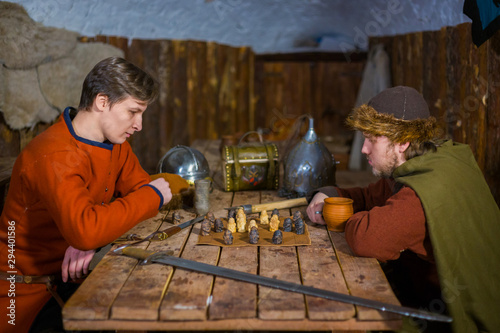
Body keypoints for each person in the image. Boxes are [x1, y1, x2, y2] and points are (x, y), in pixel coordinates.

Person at [306, 86, 500, 333]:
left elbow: (367, 238)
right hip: (433, 296)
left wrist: (342, 215)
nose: (364, 149)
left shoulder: (422, 192)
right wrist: (331, 194)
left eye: (372, 140)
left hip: (462, 319)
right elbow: (370, 196)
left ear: (403, 141)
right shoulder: (429, 162)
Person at [0, 57, 172, 333]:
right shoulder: (54, 153)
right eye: (132, 112)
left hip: (77, 277)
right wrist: (91, 233)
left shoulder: (115, 143)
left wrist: (93, 240)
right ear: (102, 102)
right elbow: (139, 201)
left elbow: (135, 192)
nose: (139, 124)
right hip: (25, 293)